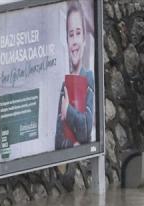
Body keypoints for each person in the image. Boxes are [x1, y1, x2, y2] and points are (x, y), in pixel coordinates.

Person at [54, 1, 95, 149]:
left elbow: (85, 129)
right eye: (71, 35)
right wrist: (73, 143)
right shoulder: (64, 86)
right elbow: (58, 143)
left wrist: (68, 112)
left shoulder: (89, 78)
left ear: (84, 39)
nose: (75, 41)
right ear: (67, 40)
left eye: (78, 33)